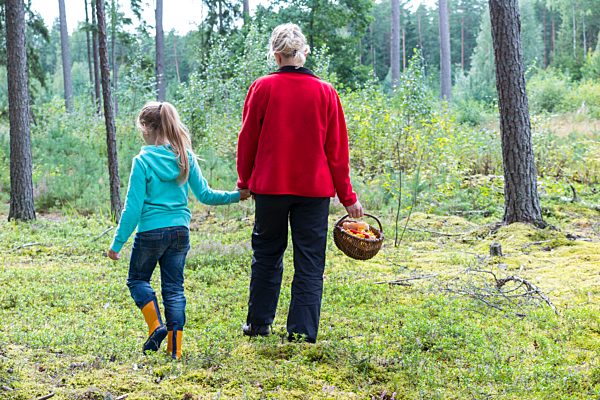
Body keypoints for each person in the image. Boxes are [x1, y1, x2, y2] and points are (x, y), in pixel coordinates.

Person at [236, 23, 364, 343]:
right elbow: (337, 152)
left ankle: (259, 323)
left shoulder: (261, 88)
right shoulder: (325, 92)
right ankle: (302, 333)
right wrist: (348, 197)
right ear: (303, 52)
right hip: (314, 191)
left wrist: (244, 181)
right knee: (310, 260)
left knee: (266, 254)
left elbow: (247, 140)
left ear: (276, 55)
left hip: (270, 188)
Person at [108, 101, 250, 359]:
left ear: (146, 127)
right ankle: (175, 349)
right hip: (179, 232)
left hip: (150, 232)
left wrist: (117, 244)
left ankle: (155, 326)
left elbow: (133, 208)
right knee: (174, 288)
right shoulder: (185, 156)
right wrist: (236, 196)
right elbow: (205, 195)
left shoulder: (142, 161)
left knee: (137, 280)